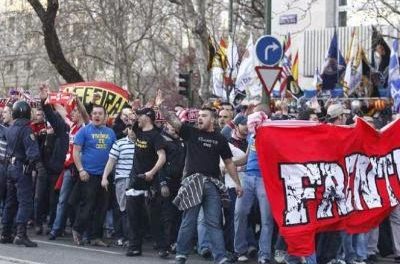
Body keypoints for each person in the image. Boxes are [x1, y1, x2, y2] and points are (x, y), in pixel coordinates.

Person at [155, 90, 243, 264]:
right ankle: (181, 255)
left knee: (214, 222)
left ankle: (220, 257)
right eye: (199, 115)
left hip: (212, 184)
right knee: (189, 220)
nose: (200, 118)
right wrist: (160, 107)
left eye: (204, 116)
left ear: (212, 119)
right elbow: (173, 121)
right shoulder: (190, 132)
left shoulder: (220, 139)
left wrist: (238, 184)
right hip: (193, 181)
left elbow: (229, 163)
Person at [234, 105, 275, 264]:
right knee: (240, 213)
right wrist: (229, 163)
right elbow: (246, 158)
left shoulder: (271, 134)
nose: (250, 117)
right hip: (248, 177)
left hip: (264, 179)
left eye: (254, 114)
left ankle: (264, 254)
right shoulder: (252, 136)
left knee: (266, 219)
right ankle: (240, 250)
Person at [72, 104, 116, 246]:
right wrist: (81, 170)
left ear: (105, 116)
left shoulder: (111, 133)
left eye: (100, 113)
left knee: (102, 208)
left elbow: (114, 155)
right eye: (95, 113)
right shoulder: (84, 131)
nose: (97, 116)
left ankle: (96, 237)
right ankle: (77, 230)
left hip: (105, 176)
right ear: (91, 115)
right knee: (88, 206)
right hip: (88, 175)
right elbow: (75, 152)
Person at [125, 107, 166, 257]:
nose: (137, 118)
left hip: (150, 182)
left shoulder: (156, 136)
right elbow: (132, 125)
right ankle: (134, 247)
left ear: (147, 118)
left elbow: (162, 157)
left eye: (139, 116)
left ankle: (162, 247)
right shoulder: (139, 131)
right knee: (133, 216)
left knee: (154, 217)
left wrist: (152, 172)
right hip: (136, 181)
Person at [1, 100, 40, 247]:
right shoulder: (26, 129)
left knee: (10, 202)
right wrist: (33, 167)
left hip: (11, 167)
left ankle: (5, 233)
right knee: (25, 201)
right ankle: (20, 234)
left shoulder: (10, 128)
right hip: (22, 169)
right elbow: (33, 153)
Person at [101, 125, 136, 247]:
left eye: (135, 129)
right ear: (127, 130)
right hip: (122, 179)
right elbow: (111, 161)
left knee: (135, 211)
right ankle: (124, 237)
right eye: (131, 128)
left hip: (137, 181)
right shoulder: (119, 143)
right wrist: (105, 177)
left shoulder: (142, 144)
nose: (133, 131)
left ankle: (132, 237)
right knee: (124, 209)